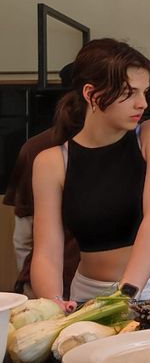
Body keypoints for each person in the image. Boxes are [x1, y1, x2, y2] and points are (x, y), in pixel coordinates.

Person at [31, 38, 150, 309]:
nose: (142, 103)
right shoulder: (51, 162)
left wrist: (125, 294)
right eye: (129, 93)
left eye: (144, 91)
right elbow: (46, 253)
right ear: (91, 94)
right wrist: (52, 303)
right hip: (88, 293)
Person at [5, 64, 81, 299]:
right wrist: (39, 291)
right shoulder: (39, 149)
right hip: (57, 282)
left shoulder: (136, 143)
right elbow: (25, 232)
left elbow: (22, 235)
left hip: (105, 283)